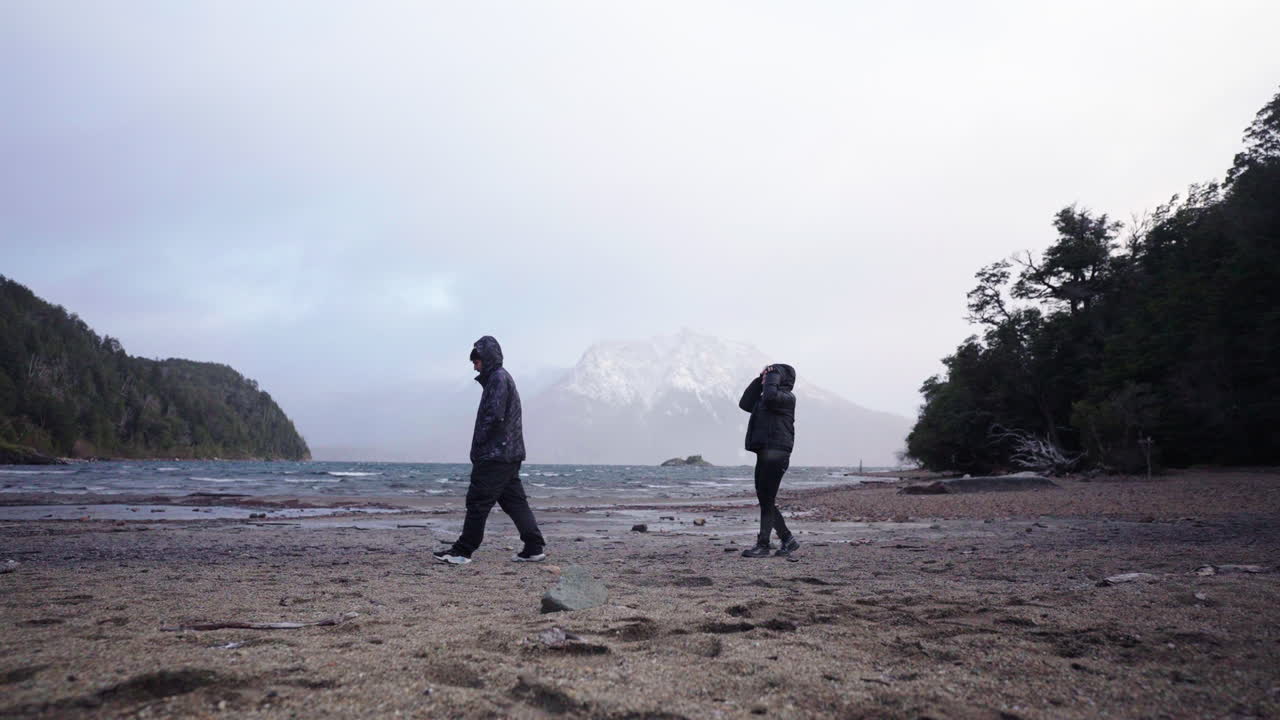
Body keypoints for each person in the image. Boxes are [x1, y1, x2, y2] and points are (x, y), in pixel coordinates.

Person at [434, 336, 547, 565]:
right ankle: (534, 547)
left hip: (495, 455)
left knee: (477, 502)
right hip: (508, 454)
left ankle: (463, 551)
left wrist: (480, 447)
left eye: (477, 361)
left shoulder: (498, 378)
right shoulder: (501, 378)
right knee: (515, 502)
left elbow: (494, 417)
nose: (475, 366)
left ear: (486, 359)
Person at [737, 363, 799, 558]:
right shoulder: (765, 399)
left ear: (782, 379)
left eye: (771, 377)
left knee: (766, 499)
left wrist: (772, 376)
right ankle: (787, 539)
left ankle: (764, 544)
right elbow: (745, 403)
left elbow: (771, 396)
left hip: (777, 452)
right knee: (765, 499)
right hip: (764, 452)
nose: (767, 379)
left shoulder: (786, 398)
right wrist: (760, 378)